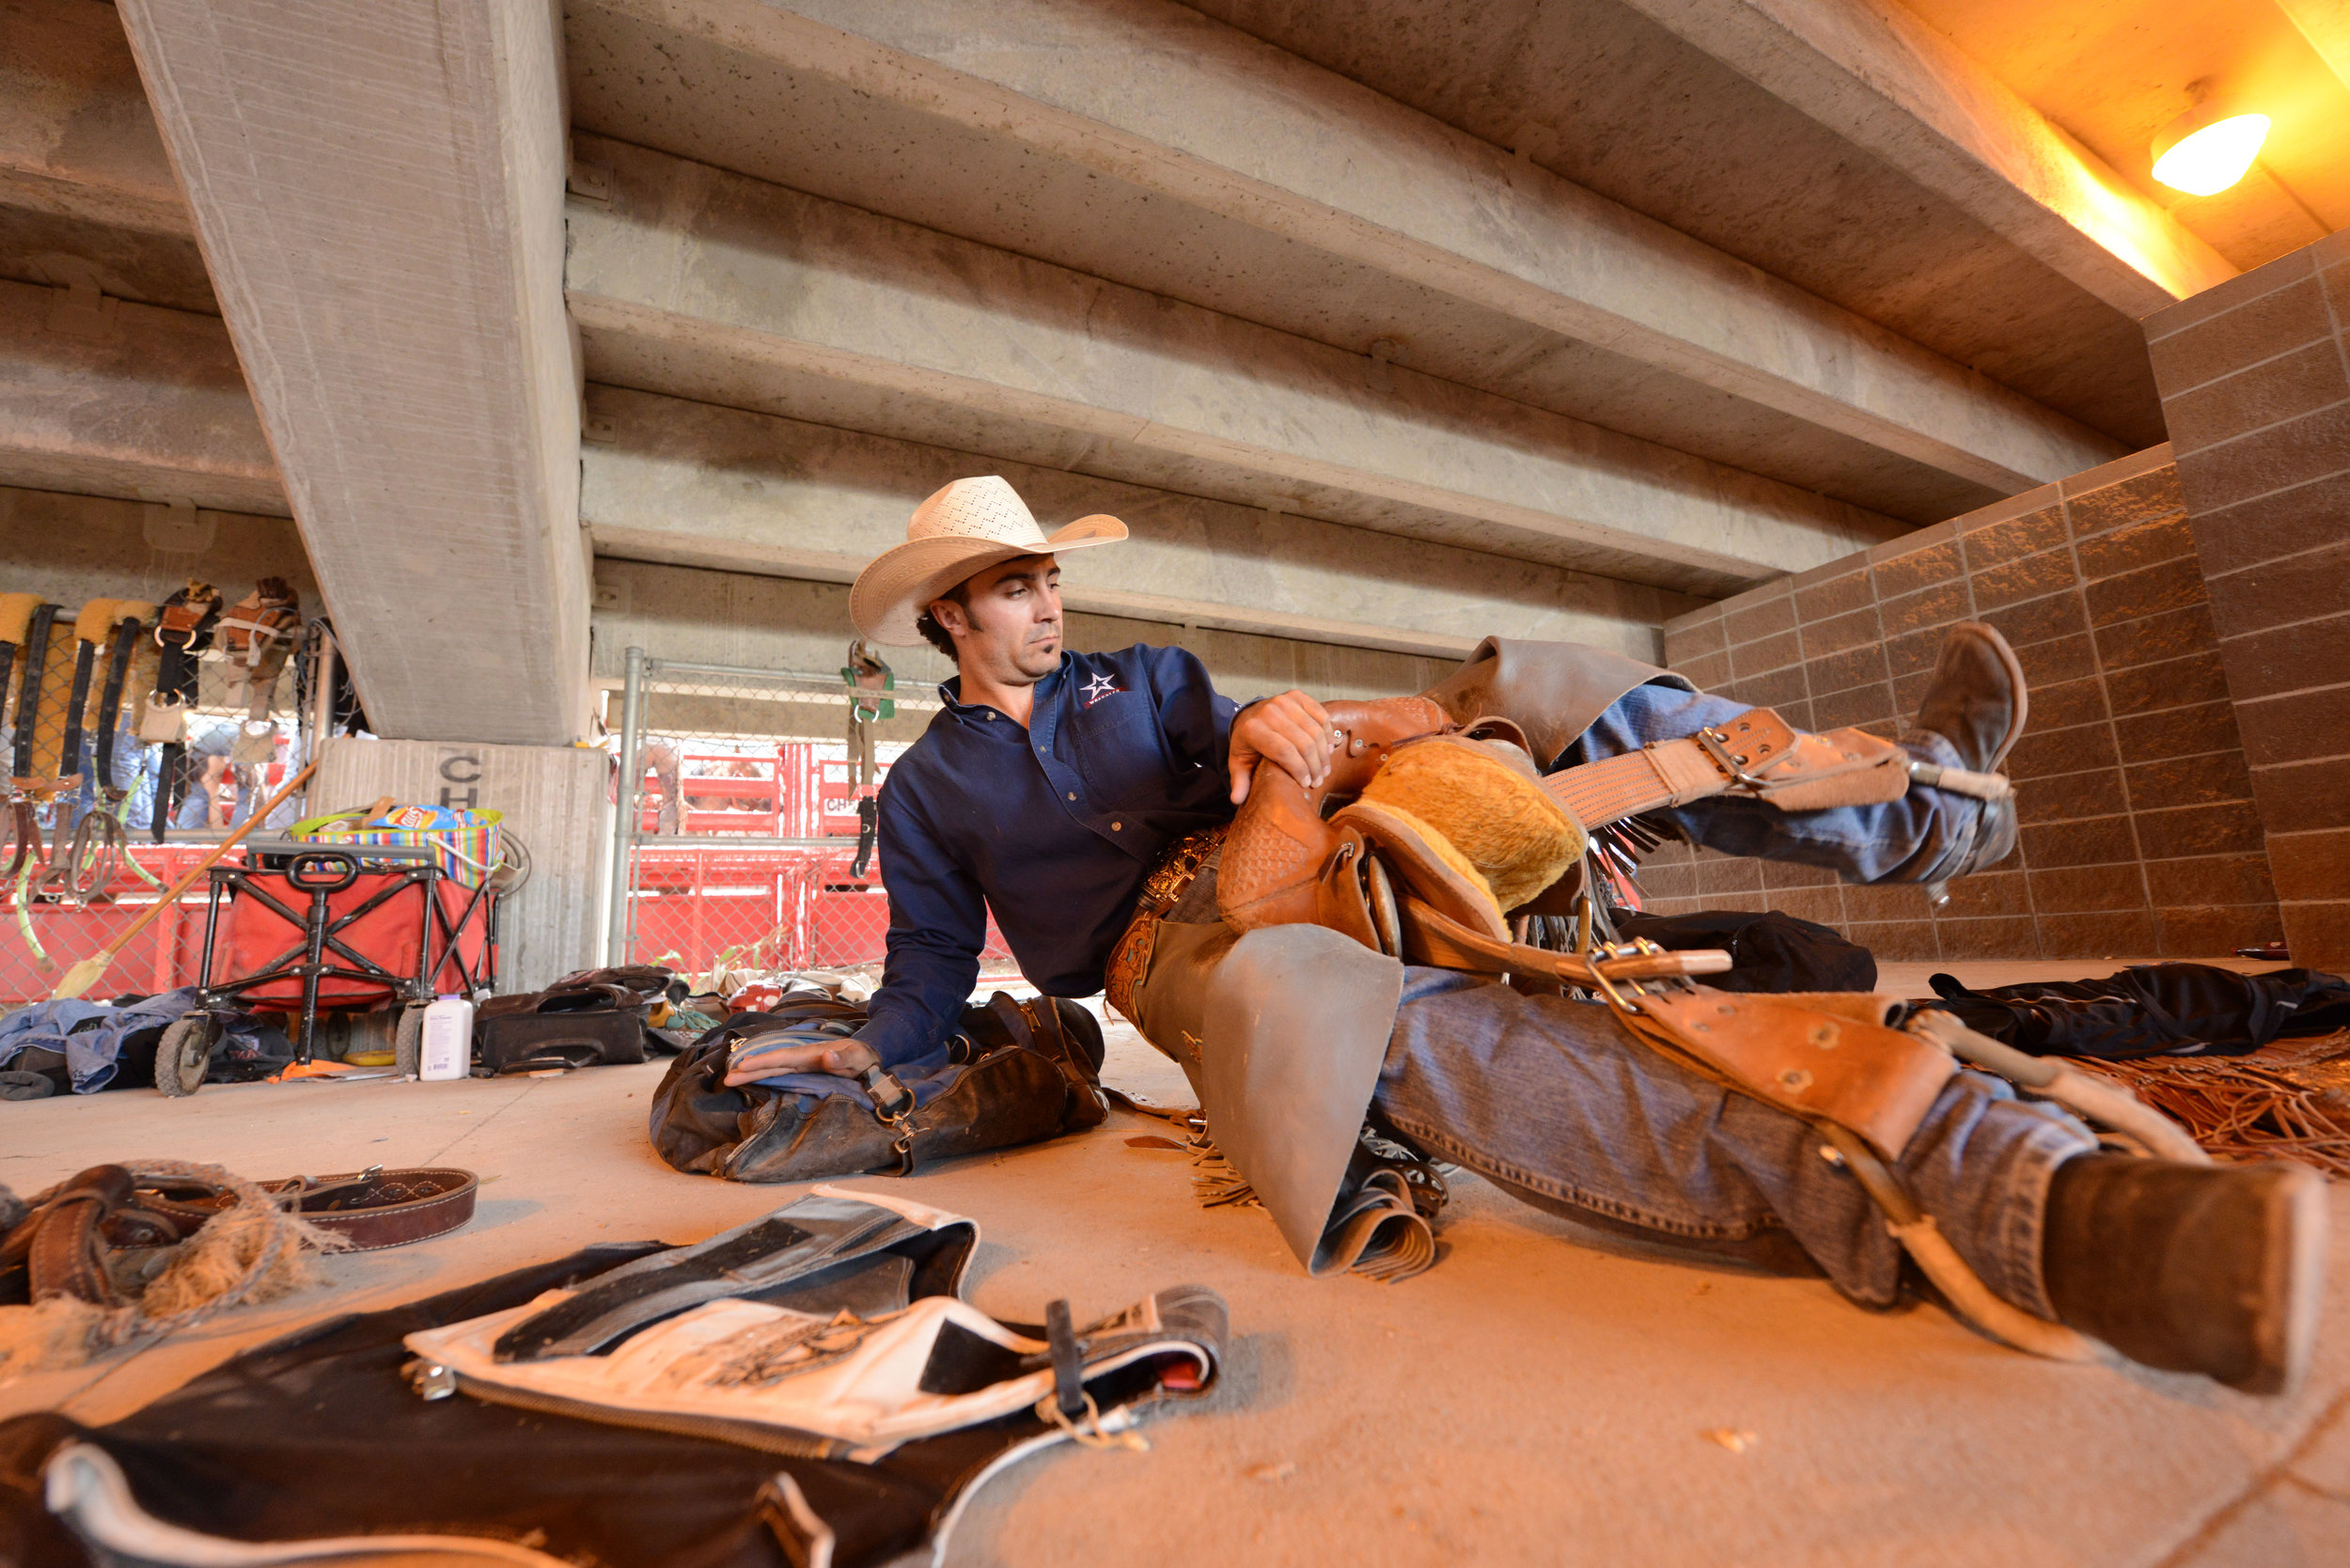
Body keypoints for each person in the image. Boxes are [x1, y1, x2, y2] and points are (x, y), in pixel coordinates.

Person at [735, 476, 2325, 1395]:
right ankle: (2014, 1203)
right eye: (1012, 589)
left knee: (1555, 687)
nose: (1046, 604)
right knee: (1342, 1017)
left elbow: (1239, 742)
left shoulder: (1141, 675)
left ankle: (1930, 811)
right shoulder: (929, 790)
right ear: (949, 618)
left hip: (1277, 828)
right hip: (1179, 954)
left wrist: (1293, 730)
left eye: (1048, 577)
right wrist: (867, 1051)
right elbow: (934, 970)